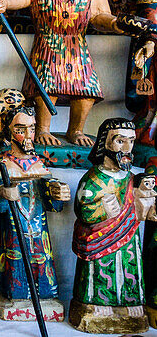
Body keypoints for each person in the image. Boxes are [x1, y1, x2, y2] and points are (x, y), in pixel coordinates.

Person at [0, 0, 122, 148]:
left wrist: (115, 23)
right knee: (46, 87)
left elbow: (99, 17)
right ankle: (42, 129)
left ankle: (76, 130)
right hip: (48, 47)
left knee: (85, 91)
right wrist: (2, 0)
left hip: (77, 50)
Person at [0, 106, 70, 321]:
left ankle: (43, 296)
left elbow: (50, 196)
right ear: (8, 131)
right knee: (15, 257)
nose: (27, 135)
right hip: (16, 227)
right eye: (20, 128)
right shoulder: (3, 164)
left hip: (38, 225)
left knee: (42, 258)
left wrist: (56, 192)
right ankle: (15, 295)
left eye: (31, 129)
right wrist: (3, 192)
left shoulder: (39, 162)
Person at [70, 118, 149, 332]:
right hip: (100, 239)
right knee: (100, 270)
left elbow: (140, 207)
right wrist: (105, 210)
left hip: (128, 237)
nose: (127, 148)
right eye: (120, 141)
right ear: (105, 143)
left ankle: (130, 302)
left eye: (131, 142)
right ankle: (96, 302)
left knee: (130, 266)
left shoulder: (132, 178)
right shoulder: (94, 178)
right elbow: (84, 208)